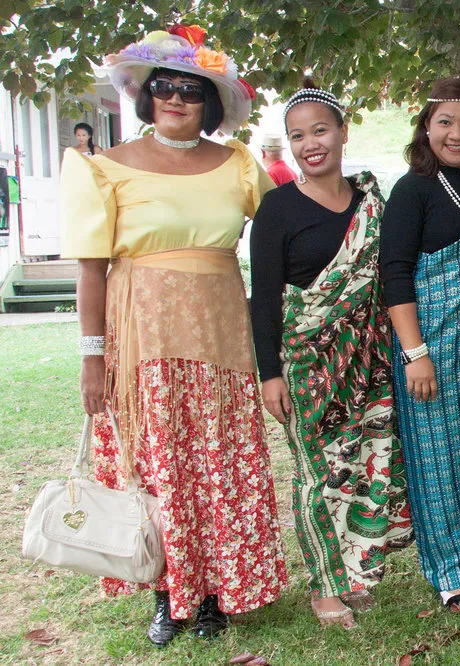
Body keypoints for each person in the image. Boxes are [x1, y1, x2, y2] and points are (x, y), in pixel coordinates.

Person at [59, 25, 287, 647]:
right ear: (145, 92)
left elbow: (283, 235)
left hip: (220, 335)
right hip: (141, 340)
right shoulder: (103, 167)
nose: (177, 98)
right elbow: (90, 269)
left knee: (217, 461)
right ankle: (168, 592)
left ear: (211, 101)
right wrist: (91, 358)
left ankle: (214, 592)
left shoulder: (238, 162)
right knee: (160, 466)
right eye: (164, 86)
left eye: (191, 89)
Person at [250, 80, 412, 630]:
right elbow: (265, 297)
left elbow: (396, 275)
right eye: (297, 136)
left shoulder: (375, 205)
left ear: (343, 133)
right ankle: (324, 585)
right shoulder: (276, 209)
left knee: (371, 466)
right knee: (318, 472)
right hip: (308, 362)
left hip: (373, 360)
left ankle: (358, 573)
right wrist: (269, 374)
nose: (309, 144)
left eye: (320, 130)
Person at [379, 78, 460, 613]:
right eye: (445, 123)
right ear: (425, 128)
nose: (456, 134)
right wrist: (415, 352)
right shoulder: (413, 189)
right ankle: (449, 573)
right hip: (428, 346)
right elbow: (395, 273)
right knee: (436, 457)